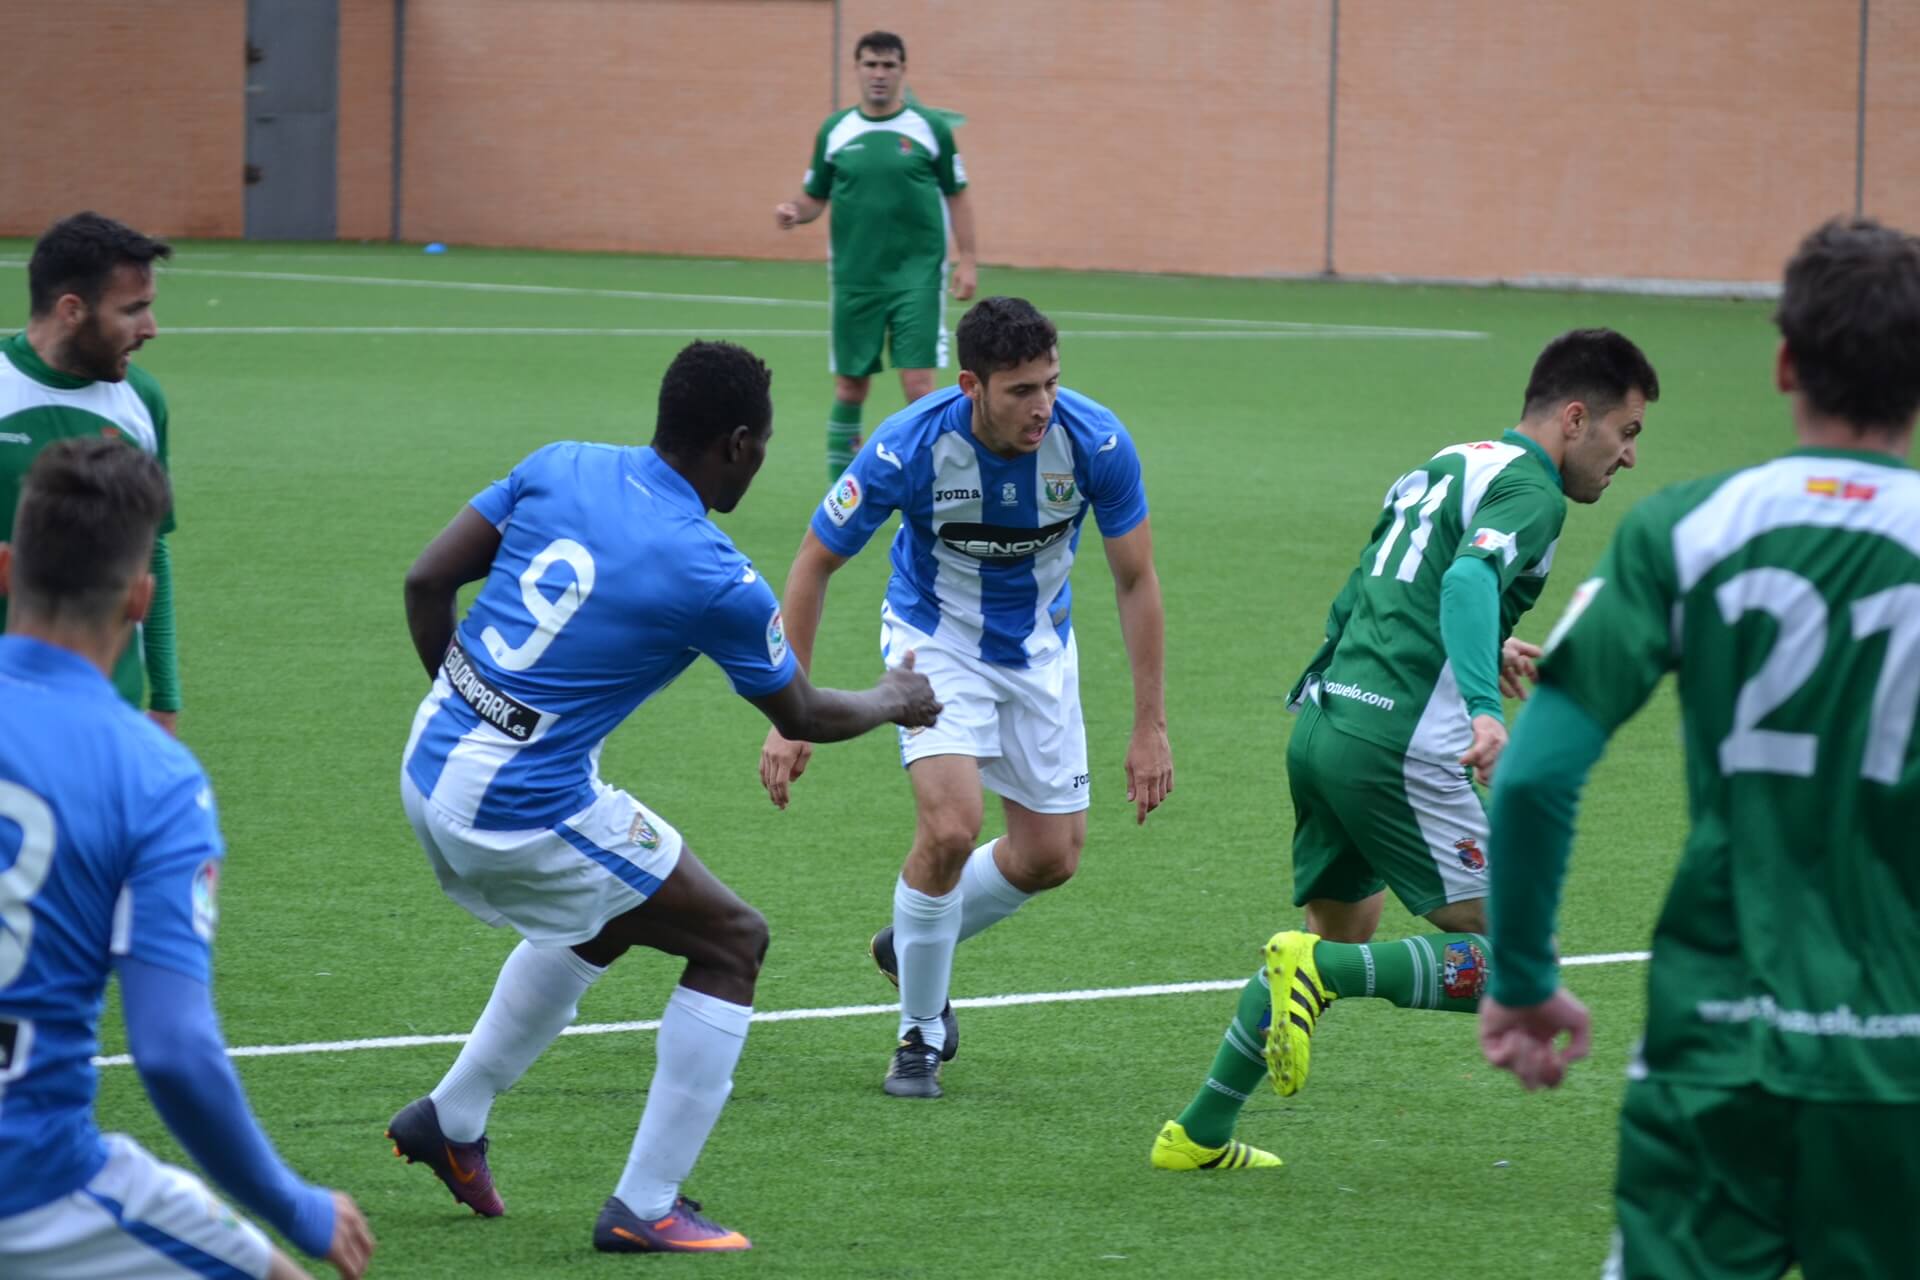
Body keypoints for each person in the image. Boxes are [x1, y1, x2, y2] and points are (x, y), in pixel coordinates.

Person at [388, 340, 939, 1253]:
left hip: (426, 761)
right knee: (733, 940)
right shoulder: (713, 574)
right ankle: (645, 1208)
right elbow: (799, 708)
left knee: (616, 912)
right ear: (733, 443)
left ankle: (450, 1118)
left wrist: (470, 708)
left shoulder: (557, 463)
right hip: (517, 810)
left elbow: (425, 580)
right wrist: (895, 699)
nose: (763, 461)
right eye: (762, 444)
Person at [1482, 218, 1920, 1277]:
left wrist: (1527, 976)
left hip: (1716, 1037)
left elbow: (1535, 775)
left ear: (1783, 360)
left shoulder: (1686, 528)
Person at [1150, 328, 1659, 1172]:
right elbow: (1463, 581)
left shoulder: (1456, 460)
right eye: (1627, 433)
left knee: (1336, 937)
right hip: (1397, 746)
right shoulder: (1535, 493)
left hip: (1327, 724)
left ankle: (1197, 1132)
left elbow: (1386, 581)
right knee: (1517, 957)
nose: (1628, 456)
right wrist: (1485, 711)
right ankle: (1315, 979)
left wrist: (1483, 643)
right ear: (1577, 418)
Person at [758, 296, 1173, 1098]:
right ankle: (918, 1033)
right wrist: (791, 712)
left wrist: (1150, 725)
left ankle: (907, 947)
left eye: (1050, 383)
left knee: (1051, 858)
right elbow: (813, 563)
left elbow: (1135, 579)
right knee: (951, 826)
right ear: (970, 384)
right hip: (934, 645)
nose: (1041, 405)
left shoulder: (1097, 441)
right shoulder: (907, 447)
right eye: (1020, 389)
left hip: (1042, 653)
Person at [0, 439, 374, 1279]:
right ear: (141, 597)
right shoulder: (155, 779)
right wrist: (294, 1206)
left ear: (6, 567)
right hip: (28, 1187)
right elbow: (171, 1049)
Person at [1, 211, 182, 733]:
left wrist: (165, 698)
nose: (151, 329)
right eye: (134, 310)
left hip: (108, 705)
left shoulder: (142, 400)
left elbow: (153, 554)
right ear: (72, 310)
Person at [775, 29, 979, 480]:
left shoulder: (930, 129)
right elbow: (814, 197)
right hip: (855, 278)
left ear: (903, 70)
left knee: (919, 386)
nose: (879, 74)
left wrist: (967, 259)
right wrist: (795, 211)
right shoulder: (836, 130)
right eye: (871, 64)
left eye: (889, 65)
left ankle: (930, 486)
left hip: (917, 277)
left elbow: (957, 194)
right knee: (850, 387)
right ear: (858, 70)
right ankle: (843, 493)